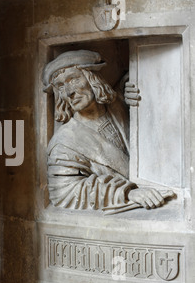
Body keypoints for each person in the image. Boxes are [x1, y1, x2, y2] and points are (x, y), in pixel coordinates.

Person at [43, 50, 173, 212]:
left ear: (93, 79)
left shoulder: (117, 105)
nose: (69, 92)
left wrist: (133, 86)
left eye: (73, 79)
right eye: (61, 86)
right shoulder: (65, 142)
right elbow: (63, 193)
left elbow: (136, 78)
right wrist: (127, 193)